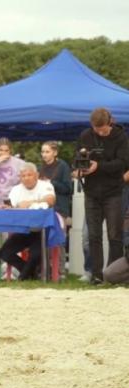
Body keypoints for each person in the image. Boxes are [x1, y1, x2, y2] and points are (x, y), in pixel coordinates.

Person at [75, 108, 129, 284]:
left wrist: (99, 166)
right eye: (96, 129)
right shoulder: (85, 136)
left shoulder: (120, 137)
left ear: (110, 122)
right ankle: (96, 275)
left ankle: (112, 276)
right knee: (93, 235)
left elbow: (122, 164)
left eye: (103, 129)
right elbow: (77, 158)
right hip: (91, 192)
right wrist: (79, 169)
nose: (100, 132)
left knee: (115, 235)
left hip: (113, 192)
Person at [0, 163, 56, 280]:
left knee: (35, 255)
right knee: (4, 253)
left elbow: (51, 200)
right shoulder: (16, 189)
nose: (26, 178)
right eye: (23, 176)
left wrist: (29, 203)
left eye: (29, 175)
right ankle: (31, 272)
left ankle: (23, 277)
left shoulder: (45, 185)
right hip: (23, 230)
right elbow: (12, 207)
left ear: (36, 175)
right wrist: (8, 208)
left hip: (42, 230)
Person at [39, 141, 72, 277]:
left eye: (47, 151)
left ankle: (60, 270)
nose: (44, 155)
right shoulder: (40, 168)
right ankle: (46, 270)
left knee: (59, 238)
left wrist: (51, 182)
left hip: (59, 207)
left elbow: (68, 188)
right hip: (44, 208)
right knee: (44, 239)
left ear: (55, 152)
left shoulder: (63, 166)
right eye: (43, 152)